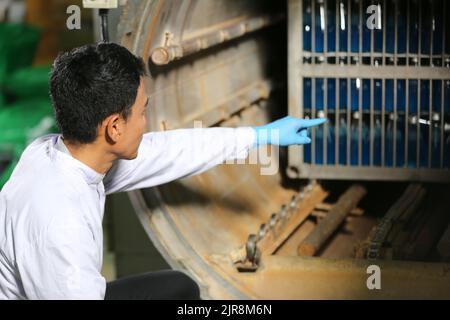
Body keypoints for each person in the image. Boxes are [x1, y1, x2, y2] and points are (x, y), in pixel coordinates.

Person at [0, 42, 325, 300]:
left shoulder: (61, 154)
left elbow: (168, 152)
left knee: (178, 289)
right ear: (114, 127)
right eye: (143, 112)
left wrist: (259, 136)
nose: (146, 123)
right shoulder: (59, 224)